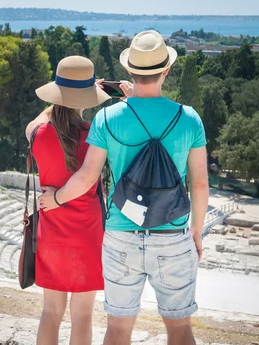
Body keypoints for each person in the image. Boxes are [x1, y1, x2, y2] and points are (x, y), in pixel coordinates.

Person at [39, 31, 209, 345]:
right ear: (166, 70)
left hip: (121, 236)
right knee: (180, 328)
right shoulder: (189, 119)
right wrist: (196, 231)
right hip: (172, 236)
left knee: (117, 329)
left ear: (129, 71)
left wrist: (56, 198)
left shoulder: (107, 118)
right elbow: (199, 184)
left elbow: (88, 176)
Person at [25, 55, 114, 345]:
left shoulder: (38, 134)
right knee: (83, 316)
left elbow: (37, 121)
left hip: (51, 231)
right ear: (86, 98)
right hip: (87, 234)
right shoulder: (94, 136)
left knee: (50, 311)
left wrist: (64, 97)